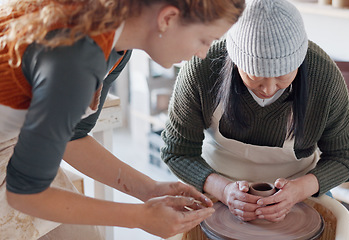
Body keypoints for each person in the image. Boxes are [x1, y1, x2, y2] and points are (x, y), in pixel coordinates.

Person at [0, 0, 244, 239]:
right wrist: (140, 218)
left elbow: (70, 137)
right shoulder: (76, 60)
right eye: (205, 41)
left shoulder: (116, 44)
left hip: (17, 145)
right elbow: (25, 194)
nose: (202, 55)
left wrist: (150, 190)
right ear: (167, 19)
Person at [161, 0, 349, 223]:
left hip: (298, 193)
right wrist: (224, 190)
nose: (268, 88)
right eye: (254, 77)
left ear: (300, 60)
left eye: (282, 76)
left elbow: (345, 157)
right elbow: (177, 151)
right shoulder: (202, 68)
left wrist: (298, 190)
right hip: (217, 187)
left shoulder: (324, 77)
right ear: (236, 62)